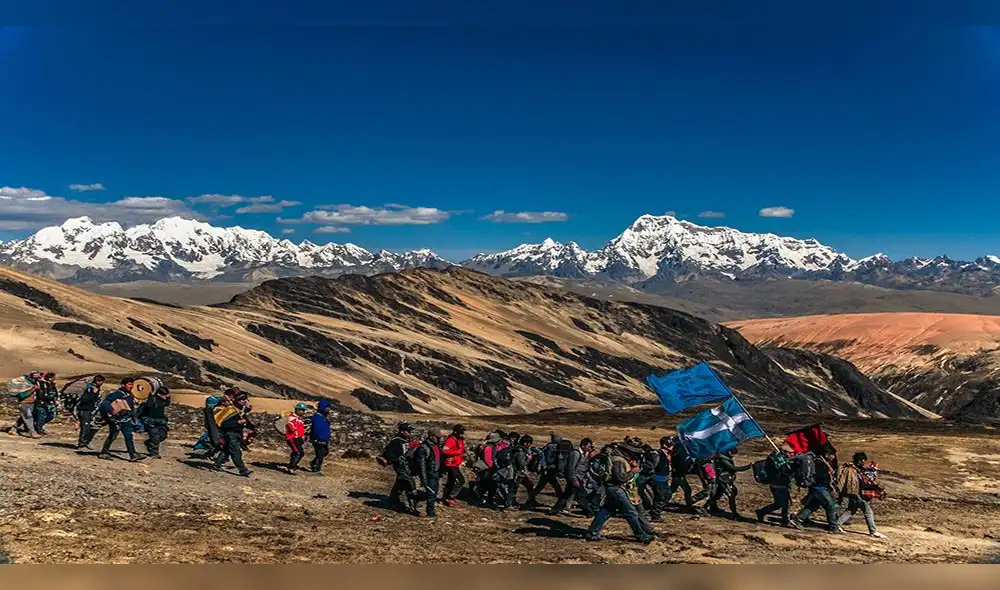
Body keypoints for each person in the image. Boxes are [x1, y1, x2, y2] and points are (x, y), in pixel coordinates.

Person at [585, 445, 656, 544]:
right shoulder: (619, 461)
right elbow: (620, 478)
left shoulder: (617, 459)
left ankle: (592, 532)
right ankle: (641, 535)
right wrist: (633, 471)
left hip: (613, 489)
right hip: (617, 489)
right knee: (631, 513)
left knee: (607, 511)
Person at [834, 452, 887, 539]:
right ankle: (873, 531)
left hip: (853, 493)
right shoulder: (855, 471)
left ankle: (837, 524)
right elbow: (861, 485)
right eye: (863, 461)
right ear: (860, 461)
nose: (864, 463)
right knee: (868, 511)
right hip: (857, 494)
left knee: (851, 510)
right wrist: (875, 487)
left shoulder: (856, 470)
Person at [789, 451, 843, 533]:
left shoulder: (824, 463)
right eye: (832, 455)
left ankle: (798, 519)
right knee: (830, 506)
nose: (833, 457)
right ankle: (833, 526)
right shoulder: (819, 462)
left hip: (821, 487)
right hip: (819, 487)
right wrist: (828, 473)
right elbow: (818, 476)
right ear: (826, 454)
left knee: (813, 505)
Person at [98, 378, 144, 462]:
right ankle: (104, 452)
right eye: (129, 384)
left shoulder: (129, 394)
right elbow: (105, 402)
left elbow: (131, 407)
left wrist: (134, 417)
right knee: (113, 435)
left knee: (128, 436)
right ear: (123, 385)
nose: (131, 386)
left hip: (126, 419)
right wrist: (111, 411)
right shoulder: (117, 394)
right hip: (116, 420)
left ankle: (133, 454)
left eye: (132, 384)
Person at [550, 438, 596, 517]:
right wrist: (574, 480)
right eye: (588, 446)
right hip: (575, 477)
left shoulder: (585, 454)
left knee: (566, 495)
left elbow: (585, 467)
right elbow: (571, 468)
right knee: (581, 496)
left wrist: (590, 457)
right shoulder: (575, 454)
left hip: (578, 477)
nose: (589, 448)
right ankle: (589, 512)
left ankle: (554, 510)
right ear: (583, 445)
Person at [211, 394, 253, 477]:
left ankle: (216, 465)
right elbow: (224, 423)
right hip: (230, 434)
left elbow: (244, 412)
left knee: (226, 450)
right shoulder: (230, 410)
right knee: (236, 451)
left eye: (245, 399)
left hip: (237, 433)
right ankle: (243, 470)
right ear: (237, 401)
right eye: (242, 400)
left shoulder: (239, 410)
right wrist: (237, 422)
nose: (244, 401)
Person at [382, 422, 417, 514]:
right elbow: (389, 453)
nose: (410, 433)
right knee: (409, 482)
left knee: (400, 484)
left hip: (404, 465)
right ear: (402, 431)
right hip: (400, 466)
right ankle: (412, 505)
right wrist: (397, 460)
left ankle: (393, 501)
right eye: (408, 431)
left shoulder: (404, 440)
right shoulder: (396, 441)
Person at [756, 446, 796, 526]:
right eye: (790, 453)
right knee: (780, 504)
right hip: (777, 485)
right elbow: (781, 472)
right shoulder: (776, 460)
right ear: (784, 452)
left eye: (792, 453)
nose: (792, 454)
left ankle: (785, 520)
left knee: (785, 504)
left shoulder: (784, 460)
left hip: (783, 484)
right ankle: (762, 512)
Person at [708, 448, 752, 518]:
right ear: (729, 452)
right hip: (723, 480)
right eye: (733, 454)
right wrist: (746, 467)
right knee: (731, 495)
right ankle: (734, 513)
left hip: (725, 479)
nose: (733, 456)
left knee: (718, 494)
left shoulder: (725, 457)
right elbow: (732, 468)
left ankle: (710, 506)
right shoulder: (723, 459)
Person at [527, 434, 566, 508]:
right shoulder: (552, 447)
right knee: (556, 488)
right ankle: (561, 503)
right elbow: (549, 460)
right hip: (549, 470)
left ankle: (529, 500)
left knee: (540, 487)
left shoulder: (550, 446)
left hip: (547, 471)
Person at [413, 427, 443, 518]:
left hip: (435, 472)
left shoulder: (436, 446)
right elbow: (421, 465)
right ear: (431, 436)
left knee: (433, 493)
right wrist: (423, 479)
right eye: (437, 437)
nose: (439, 439)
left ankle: (429, 510)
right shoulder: (423, 448)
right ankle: (427, 511)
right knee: (430, 493)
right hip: (429, 474)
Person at [138, 386, 171, 459]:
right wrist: (150, 397)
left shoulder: (163, 400)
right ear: (159, 394)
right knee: (155, 437)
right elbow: (148, 405)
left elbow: (167, 404)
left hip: (160, 421)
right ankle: (154, 453)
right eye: (164, 395)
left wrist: (168, 398)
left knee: (163, 435)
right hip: (150, 421)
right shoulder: (152, 399)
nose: (165, 397)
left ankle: (149, 443)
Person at [74, 375, 105, 450]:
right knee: (85, 427)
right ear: (98, 381)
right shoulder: (89, 388)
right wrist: (93, 393)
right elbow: (84, 399)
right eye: (101, 382)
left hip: (90, 410)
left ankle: (85, 442)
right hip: (84, 410)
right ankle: (82, 443)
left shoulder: (96, 388)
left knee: (88, 427)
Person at [440, 424, 467, 506]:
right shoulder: (451, 440)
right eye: (461, 432)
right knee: (460, 480)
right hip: (450, 464)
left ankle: (445, 498)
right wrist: (456, 452)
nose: (462, 434)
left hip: (456, 463)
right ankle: (451, 497)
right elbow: (444, 451)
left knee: (451, 481)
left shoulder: (460, 440)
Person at [649, 436, 674, 521]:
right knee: (661, 497)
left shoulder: (667, 455)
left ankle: (655, 511)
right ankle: (655, 515)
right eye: (670, 445)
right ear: (664, 445)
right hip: (657, 479)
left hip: (664, 479)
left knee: (667, 495)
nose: (672, 446)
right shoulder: (657, 454)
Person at [13, 371, 42, 438]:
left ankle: (13, 429)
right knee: (28, 417)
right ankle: (33, 433)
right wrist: (33, 389)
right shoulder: (24, 384)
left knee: (24, 417)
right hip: (24, 402)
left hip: (32, 402)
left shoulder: (35, 383)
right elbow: (21, 395)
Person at [309, 400, 333, 474]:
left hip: (323, 439)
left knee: (325, 452)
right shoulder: (317, 417)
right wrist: (320, 437)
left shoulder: (323, 417)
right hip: (318, 439)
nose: (329, 409)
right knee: (320, 454)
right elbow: (317, 429)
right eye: (327, 407)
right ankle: (316, 469)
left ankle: (313, 463)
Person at [285, 403, 309, 474]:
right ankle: (291, 467)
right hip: (292, 438)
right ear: (297, 410)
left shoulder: (299, 419)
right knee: (298, 452)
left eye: (303, 410)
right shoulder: (292, 418)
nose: (303, 412)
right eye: (302, 410)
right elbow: (292, 428)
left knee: (298, 452)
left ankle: (291, 465)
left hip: (298, 438)